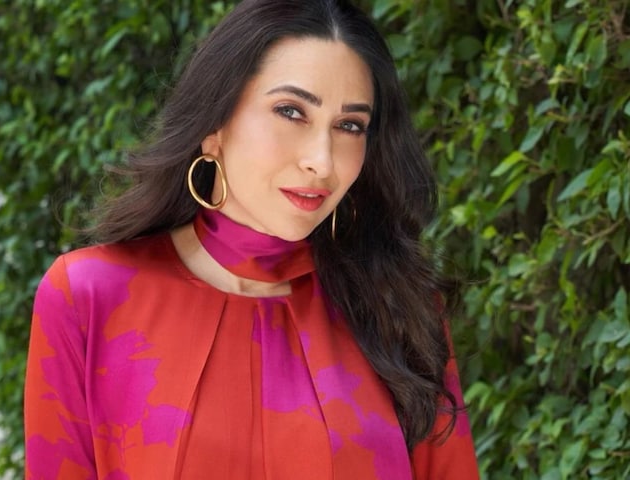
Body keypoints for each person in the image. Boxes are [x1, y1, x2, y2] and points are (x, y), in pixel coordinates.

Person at [24, 0, 479, 478]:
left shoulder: (398, 307)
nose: (322, 161)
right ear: (214, 126)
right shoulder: (89, 296)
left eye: (349, 126)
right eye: (291, 111)